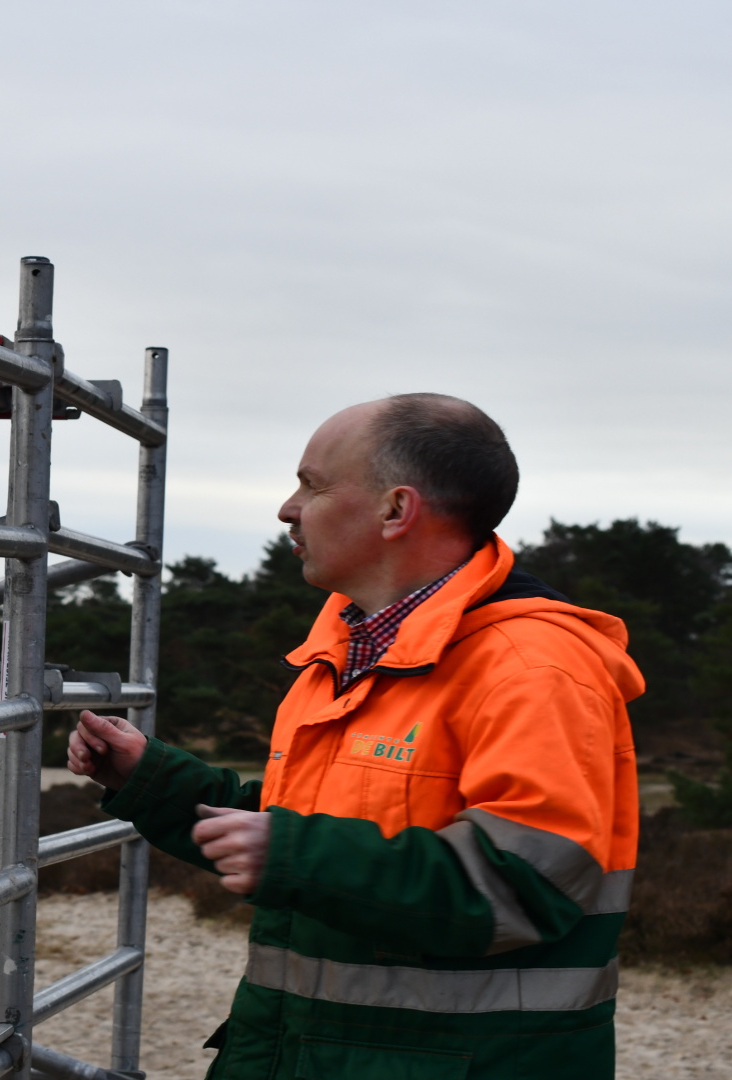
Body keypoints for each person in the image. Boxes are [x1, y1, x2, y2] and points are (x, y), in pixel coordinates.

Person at [70, 394, 640, 1078]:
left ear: (396, 510)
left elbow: (524, 885)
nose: (287, 509)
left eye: (312, 485)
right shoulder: (344, 654)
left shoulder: (535, 669)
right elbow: (309, 831)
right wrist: (155, 782)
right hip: (305, 1051)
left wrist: (295, 855)